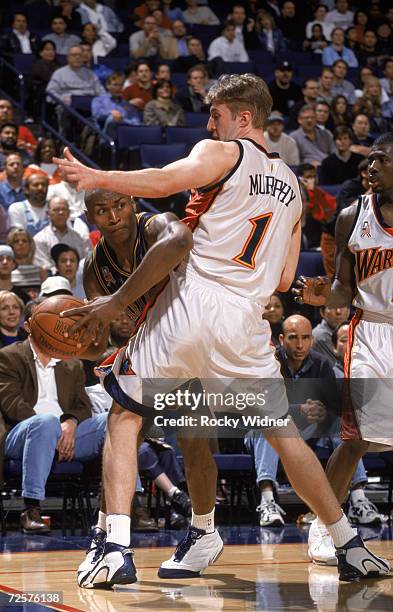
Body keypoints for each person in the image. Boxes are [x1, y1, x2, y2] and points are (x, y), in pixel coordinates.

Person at [55, 73, 389, 587]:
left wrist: (96, 175)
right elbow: (281, 278)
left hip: (192, 304)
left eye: (217, 115)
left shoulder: (224, 152)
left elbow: (164, 180)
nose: (210, 123)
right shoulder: (297, 190)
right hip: (248, 321)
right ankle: (347, 542)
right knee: (281, 434)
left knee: (125, 415)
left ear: (244, 117)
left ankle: (115, 548)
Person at [293, 131, 393, 565]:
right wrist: (323, 298)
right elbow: (342, 286)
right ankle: (325, 526)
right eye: (369, 160)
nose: (370, 167)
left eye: (381, 159)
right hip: (369, 332)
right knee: (355, 439)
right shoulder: (352, 215)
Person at [0, 298, 107, 533]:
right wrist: (55, 429)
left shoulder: (72, 364)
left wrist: (70, 423)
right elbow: (11, 404)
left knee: (112, 421)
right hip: (22, 435)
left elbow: (82, 406)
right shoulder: (8, 356)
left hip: (67, 437)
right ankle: (31, 509)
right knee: (45, 422)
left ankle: (127, 508)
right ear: (30, 326)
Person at [245, 314, 338, 527]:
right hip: (260, 432)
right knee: (269, 426)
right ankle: (267, 502)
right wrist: (300, 411)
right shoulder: (268, 364)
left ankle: (357, 500)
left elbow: (334, 407)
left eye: (306, 338)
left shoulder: (323, 364)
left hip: (306, 432)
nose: (300, 344)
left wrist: (324, 414)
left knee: (340, 428)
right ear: (281, 339)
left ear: (312, 340)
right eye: (293, 338)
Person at [34, 196, 91, 273]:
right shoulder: (40, 239)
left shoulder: (80, 238)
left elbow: (87, 262)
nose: (60, 213)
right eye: (56, 210)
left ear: (69, 213)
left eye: (63, 209)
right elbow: (44, 266)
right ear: (48, 213)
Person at [8, 173, 49, 237]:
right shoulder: (17, 208)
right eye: (36, 185)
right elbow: (18, 237)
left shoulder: (55, 208)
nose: (40, 188)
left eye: (43, 185)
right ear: (26, 189)